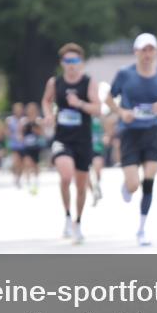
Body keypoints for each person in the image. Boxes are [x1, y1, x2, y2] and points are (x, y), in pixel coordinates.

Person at [106, 33, 157, 246]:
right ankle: (128, 186)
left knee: (149, 178)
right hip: (130, 132)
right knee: (134, 184)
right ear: (136, 52)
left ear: (156, 52)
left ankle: (141, 228)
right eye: (143, 50)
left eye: (151, 49)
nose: (147, 54)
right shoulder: (125, 74)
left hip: (153, 132)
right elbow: (108, 98)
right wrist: (121, 112)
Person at [41, 43, 102, 244]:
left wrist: (80, 104)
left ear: (81, 62)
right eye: (67, 61)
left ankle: (77, 222)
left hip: (83, 140)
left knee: (81, 186)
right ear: (62, 63)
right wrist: (48, 115)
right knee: (66, 176)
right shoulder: (55, 82)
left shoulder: (88, 82)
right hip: (62, 139)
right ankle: (67, 216)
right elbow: (46, 101)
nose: (71, 65)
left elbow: (97, 109)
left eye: (75, 60)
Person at [19, 102, 44, 194]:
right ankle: (28, 182)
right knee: (27, 163)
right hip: (26, 146)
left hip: (36, 146)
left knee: (36, 165)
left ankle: (36, 181)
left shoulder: (39, 121)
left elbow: (42, 133)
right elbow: (20, 133)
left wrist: (36, 129)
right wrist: (21, 138)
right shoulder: (23, 121)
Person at [5, 102, 26, 187]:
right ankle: (16, 178)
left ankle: (19, 177)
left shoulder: (25, 120)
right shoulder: (9, 120)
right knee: (16, 161)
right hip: (14, 144)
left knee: (22, 164)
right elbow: (6, 132)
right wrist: (13, 135)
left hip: (23, 145)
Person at [90, 113, 106, 206]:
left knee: (98, 170)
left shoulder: (99, 118)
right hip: (84, 148)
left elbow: (105, 128)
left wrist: (106, 136)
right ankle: (93, 192)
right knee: (86, 175)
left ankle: (97, 185)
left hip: (97, 148)